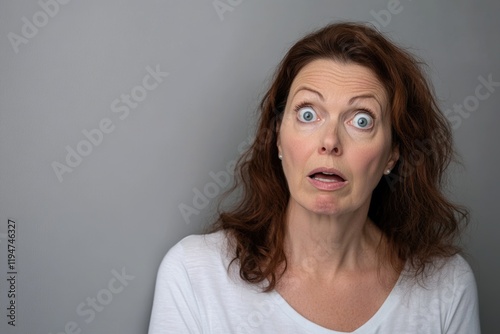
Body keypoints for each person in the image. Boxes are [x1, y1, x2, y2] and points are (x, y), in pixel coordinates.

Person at [148, 22, 480, 333]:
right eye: (308, 114)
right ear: (277, 137)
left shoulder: (446, 287)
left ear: (392, 153)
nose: (330, 141)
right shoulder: (195, 274)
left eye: (361, 120)